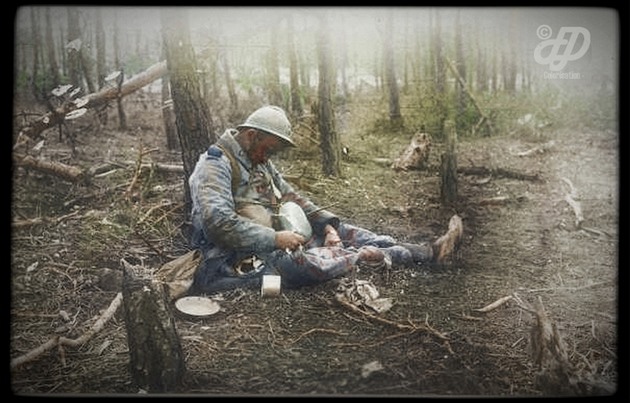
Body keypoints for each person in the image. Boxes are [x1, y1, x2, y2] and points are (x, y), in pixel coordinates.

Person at [187, 105, 463, 295]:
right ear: (251, 136)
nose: (269, 158)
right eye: (269, 149)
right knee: (313, 264)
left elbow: (292, 195)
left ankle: (428, 251)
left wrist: (328, 226)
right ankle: (402, 255)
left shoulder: (256, 158)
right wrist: (275, 239)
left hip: (276, 234)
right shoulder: (216, 165)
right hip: (231, 258)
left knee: (342, 232)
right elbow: (218, 223)